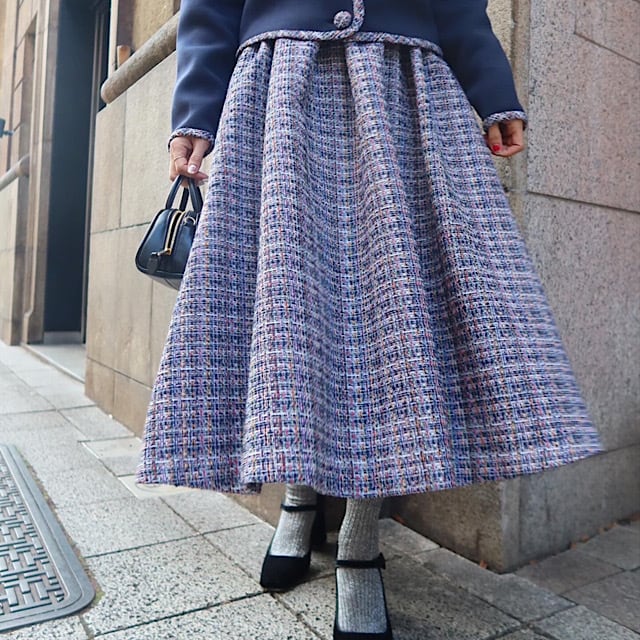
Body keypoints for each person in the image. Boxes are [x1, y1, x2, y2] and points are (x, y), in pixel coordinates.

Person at [137, 2, 603, 638]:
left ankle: (360, 543)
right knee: (291, 319)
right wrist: (194, 110)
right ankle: (299, 500)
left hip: (405, 87)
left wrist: (494, 90)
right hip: (280, 83)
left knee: (392, 326)